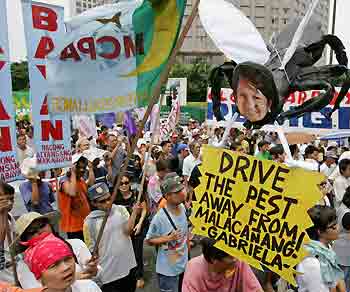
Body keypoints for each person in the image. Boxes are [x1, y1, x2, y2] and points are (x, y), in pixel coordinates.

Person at [14, 212, 98, 289]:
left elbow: (97, 274)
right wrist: (73, 278)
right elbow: (34, 289)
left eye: (42, 225)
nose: (39, 231)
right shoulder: (24, 265)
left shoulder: (76, 244)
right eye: (32, 232)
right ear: (25, 239)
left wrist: (92, 269)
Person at [84, 182, 140, 292]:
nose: (108, 203)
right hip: (109, 273)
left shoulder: (120, 210)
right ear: (94, 203)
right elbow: (92, 250)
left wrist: (134, 213)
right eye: (102, 201)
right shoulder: (89, 223)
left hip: (128, 266)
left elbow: (127, 231)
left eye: (109, 198)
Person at [146, 173, 188, 292]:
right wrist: (168, 238)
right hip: (168, 271)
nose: (182, 193)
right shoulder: (159, 218)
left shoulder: (183, 208)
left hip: (183, 264)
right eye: (177, 192)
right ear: (167, 196)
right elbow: (148, 240)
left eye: (181, 189)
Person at [23, 233, 101, 292]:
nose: (66, 267)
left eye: (68, 259)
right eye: (54, 265)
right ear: (39, 278)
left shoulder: (89, 288)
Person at [182, 237, 263, 292]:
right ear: (214, 259)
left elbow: (255, 289)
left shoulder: (239, 262)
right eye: (231, 257)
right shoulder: (193, 268)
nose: (236, 259)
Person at [296, 205, 345, 292]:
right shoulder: (311, 263)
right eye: (333, 227)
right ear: (320, 232)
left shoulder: (325, 248)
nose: (338, 228)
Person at [114, 175, 148, 289]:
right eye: (121, 183)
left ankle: (139, 276)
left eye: (126, 182)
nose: (124, 185)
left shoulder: (136, 195)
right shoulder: (115, 199)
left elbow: (144, 209)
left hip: (137, 229)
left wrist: (139, 224)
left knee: (137, 252)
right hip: (123, 231)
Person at [58, 156, 91, 241]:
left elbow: (90, 185)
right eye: (78, 167)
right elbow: (72, 192)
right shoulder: (64, 180)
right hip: (73, 227)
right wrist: (73, 172)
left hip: (84, 223)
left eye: (83, 168)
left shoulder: (80, 180)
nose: (82, 170)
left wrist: (91, 169)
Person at [333, 187, 350, 291]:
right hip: (345, 253)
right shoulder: (347, 214)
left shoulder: (342, 207)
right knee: (344, 282)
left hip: (339, 250)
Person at [0, 181, 16, 283]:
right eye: (4, 200)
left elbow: (14, 241)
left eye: (12, 199)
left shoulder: (10, 217)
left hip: (12, 265)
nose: (9, 203)